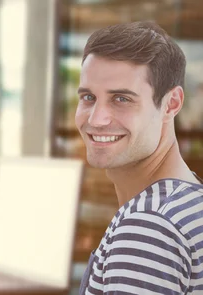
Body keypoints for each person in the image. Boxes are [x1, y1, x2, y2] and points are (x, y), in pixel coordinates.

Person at [75, 21, 203, 294]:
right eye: (88, 97)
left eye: (121, 99)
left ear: (171, 104)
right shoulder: (188, 202)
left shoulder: (148, 227)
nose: (96, 119)